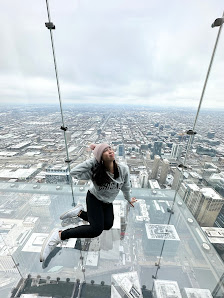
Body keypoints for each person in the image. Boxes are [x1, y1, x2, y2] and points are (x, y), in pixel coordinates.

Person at [40, 143, 137, 262]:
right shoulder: (94, 171)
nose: (110, 151)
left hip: (107, 202)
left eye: (110, 149)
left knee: (107, 225)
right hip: (94, 199)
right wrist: (94, 160)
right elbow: (74, 173)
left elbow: (126, 186)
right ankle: (59, 235)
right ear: (99, 158)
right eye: (105, 151)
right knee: (96, 230)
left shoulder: (123, 169)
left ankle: (79, 213)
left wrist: (128, 198)